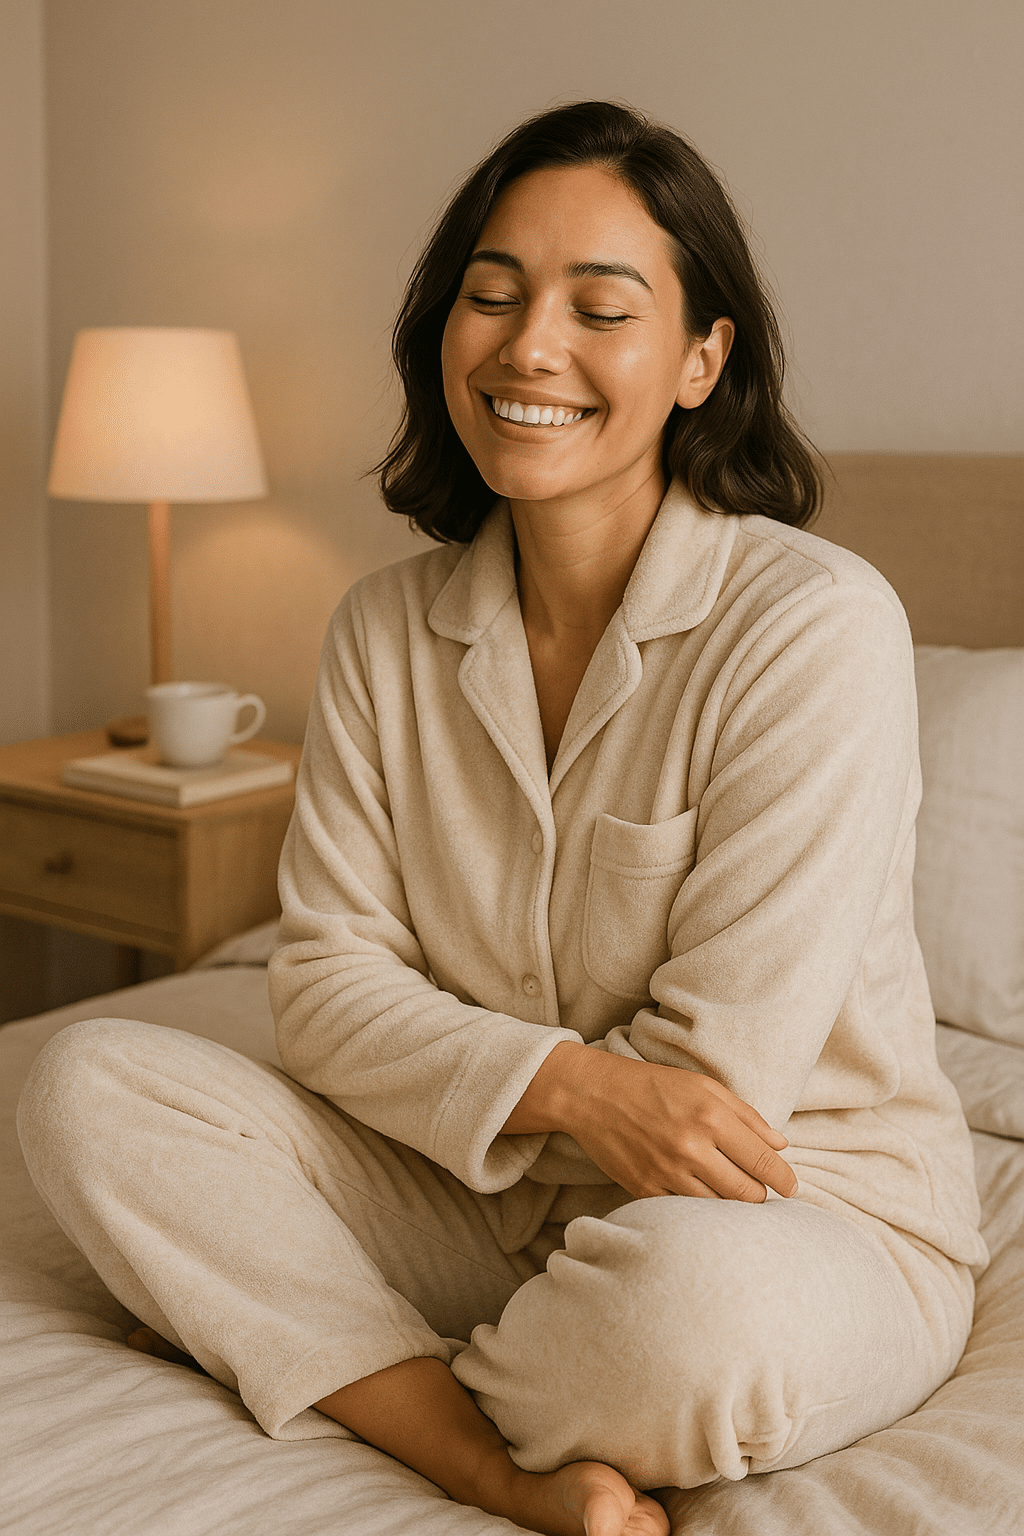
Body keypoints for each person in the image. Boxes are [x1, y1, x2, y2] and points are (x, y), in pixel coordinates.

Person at [19, 101, 987, 1536]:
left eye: (602, 308)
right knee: (87, 1089)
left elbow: (719, 1093)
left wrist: (460, 1093)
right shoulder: (379, 630)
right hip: (469, 1193)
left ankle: (330, 1342)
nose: (530, 346)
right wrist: (579, 1090)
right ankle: (481, 1462)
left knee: (680, 1327)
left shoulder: (813, 628)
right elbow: (321, 989)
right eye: (492, 296)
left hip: (791, 1204)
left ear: (702, 360)